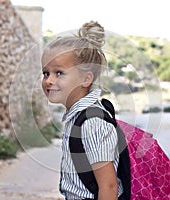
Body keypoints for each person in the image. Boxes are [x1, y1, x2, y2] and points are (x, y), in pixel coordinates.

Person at [41, 21, 124, 200]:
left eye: (59, 73)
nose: (48, 80)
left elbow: (109, 187)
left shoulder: (92, 123)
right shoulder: (77, 117)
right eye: (46, 73)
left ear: (86, 78)